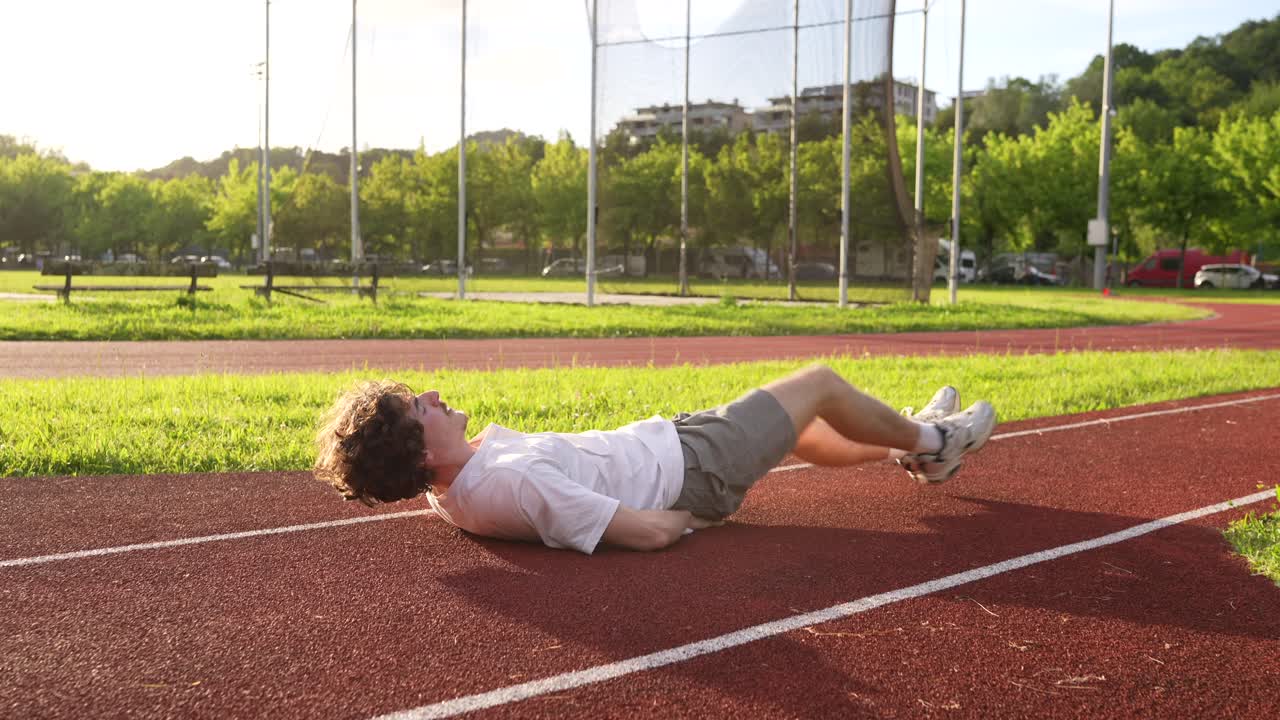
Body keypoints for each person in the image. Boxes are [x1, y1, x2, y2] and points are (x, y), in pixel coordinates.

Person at [314, 363, 996, 555]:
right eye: (419, 408)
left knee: (794, 429)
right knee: (817, 384)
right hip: (691, 468)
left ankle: (913, 443)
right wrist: (695, 512)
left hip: (680, 446)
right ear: (416, 446)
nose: (432, 395)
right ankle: (938, 443)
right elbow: (640, 531)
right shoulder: (509, 483)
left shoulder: (455, 481)